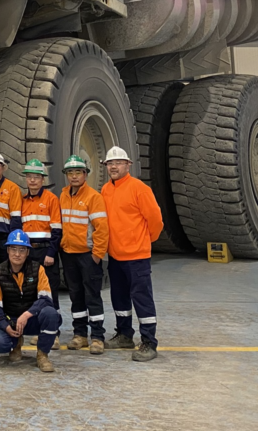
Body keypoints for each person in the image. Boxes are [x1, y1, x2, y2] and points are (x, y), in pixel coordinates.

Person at [100, 146, 163, 362]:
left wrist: (144, 241)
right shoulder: (106, 190)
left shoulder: (139, 189)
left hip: (137, 257)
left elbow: (155, 221)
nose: (114, 166)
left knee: (142, 299)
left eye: (118, 163)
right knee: (119, 298)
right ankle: (125, 335)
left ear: (128, 165)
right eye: (110, 163)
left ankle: (149, 342)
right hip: (115, 256)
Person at [0, 229, 62, 373]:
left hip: (31, 319)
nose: (17, 254)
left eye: (22, 250)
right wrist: (6, 326)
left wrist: (28, 314)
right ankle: (15, 344)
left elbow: (46, 299)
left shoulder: (38, 269)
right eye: (13, 249)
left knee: (51, 314)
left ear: (28, 252)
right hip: (11, 321)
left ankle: (42, 354)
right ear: (8, 250)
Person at [59, 154, 109, 354]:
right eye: (70, 173)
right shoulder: (63, 195)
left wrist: (96, 254)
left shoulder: (93, 197)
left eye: (77, 172)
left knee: (92, 296)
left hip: (87, 256)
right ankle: (80, 335)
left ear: (85, 174)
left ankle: (97, 337)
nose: (73, 176)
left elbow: (102, 229)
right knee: (76, 296)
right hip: (69, 254)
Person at [21, 159, 62, 309]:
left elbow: (57, 230)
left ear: (42, 179)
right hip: (29, 252)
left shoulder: (51, 199)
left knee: (50, 288)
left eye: (36, 177)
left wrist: (51, 253)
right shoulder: (22, 201)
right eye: (29, 176)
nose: (32, 180)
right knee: (30, 289)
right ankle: (33, 325)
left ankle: (53, 327)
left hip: (46, 252)